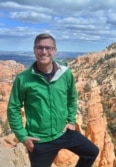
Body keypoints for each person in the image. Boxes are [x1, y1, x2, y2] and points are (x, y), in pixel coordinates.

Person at [7, 33, 99, 167]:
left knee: (91, 152)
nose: (44, 51)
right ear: (34, 50)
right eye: (40, 48)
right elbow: (13, 108)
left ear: (54, 51)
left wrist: (71, 120)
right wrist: (22, 136)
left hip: (64, 132)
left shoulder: (65, 73)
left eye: (48, 48)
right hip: (40, 140)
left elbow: (72, 97)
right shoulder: (23, 79)